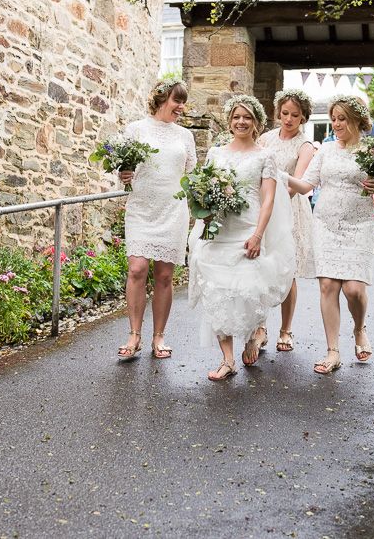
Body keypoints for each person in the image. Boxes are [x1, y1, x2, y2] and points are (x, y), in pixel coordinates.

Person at [188, 94, 295, 380]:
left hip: (248, 227)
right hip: (219, 229)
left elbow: (268, 198)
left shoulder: (265, 156)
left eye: (247, 117)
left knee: (247, 289)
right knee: (217, 290)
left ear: (256, 122)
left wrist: (259, 234)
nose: (241, 121)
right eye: (236, 116)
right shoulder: (216, 153)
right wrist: (205, 214)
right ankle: (227, 359)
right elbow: (202, 191)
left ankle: (252, 334)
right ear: (229, 120)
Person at [285, 96, 374, 374]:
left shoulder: (372, 152)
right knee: (328, 287)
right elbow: (307, 184)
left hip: (359, 225)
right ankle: (332, 351)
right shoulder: (326, 151)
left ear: (357, 120)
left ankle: (359, 328)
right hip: (326, 224)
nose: (336, 124)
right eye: (334, 118)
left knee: (354, 289)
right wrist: (280, 176)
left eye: (341, 118)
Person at [117, 79, 197, 360]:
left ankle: (158, 337)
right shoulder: (136, 129)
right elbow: (125, 168)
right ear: (162, 99)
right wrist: (124, 175)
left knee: (164, 275)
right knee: (137, 269)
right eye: (178, 101)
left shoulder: (185, 136)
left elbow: (191, 175)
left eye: (183, 102)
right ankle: (134, 334)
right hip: (141, 207)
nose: (181, 107)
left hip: (172, 211)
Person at [259, 89, 316, 352]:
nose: (289, 119)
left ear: (303, 117)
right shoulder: (266, 139)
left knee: (287, 272)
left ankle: (286, 329)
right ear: (277, 112)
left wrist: (275, 201)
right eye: (284, 114)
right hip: (263, 208)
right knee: (261, 268)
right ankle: (260, 327)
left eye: (295, 115)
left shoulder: (306, 146)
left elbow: (298, 183)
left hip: (290, 210)